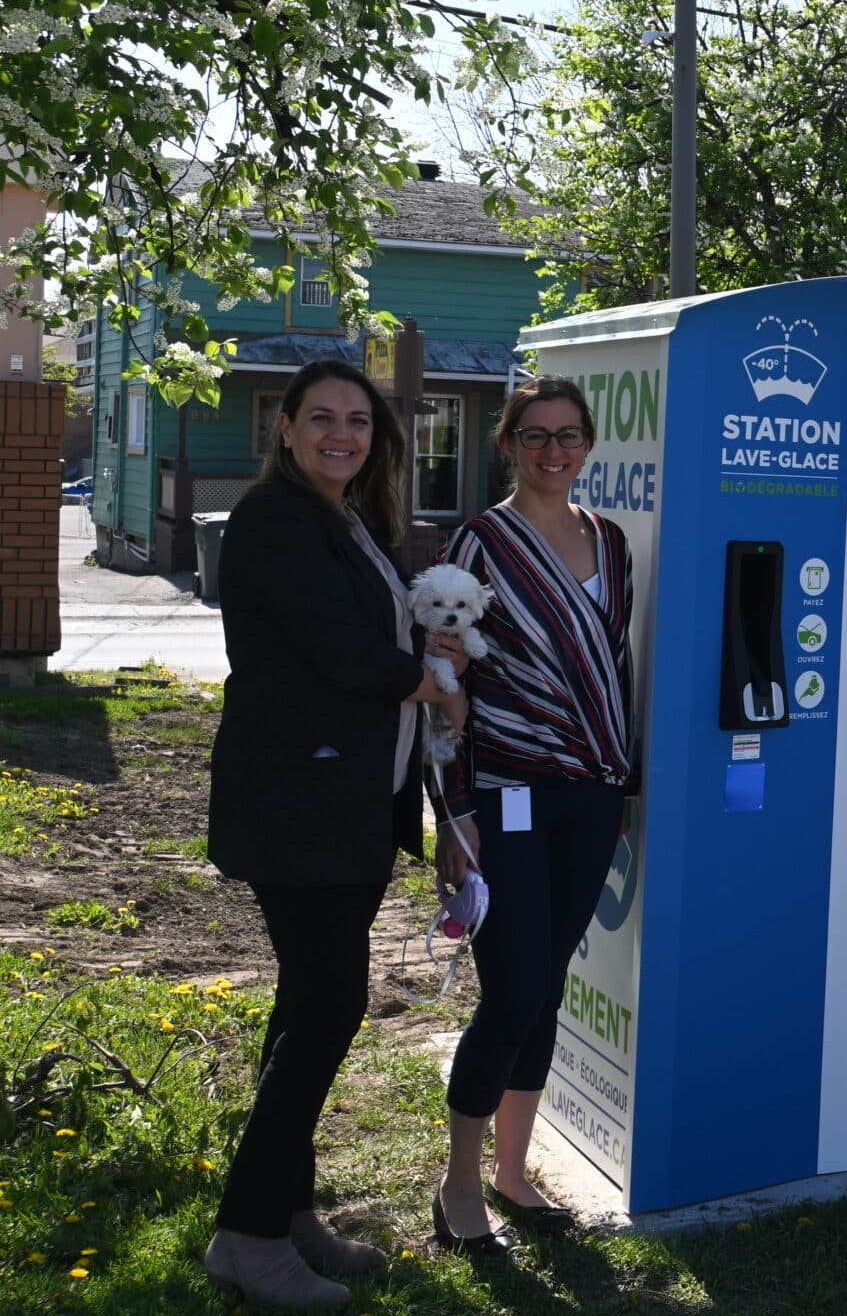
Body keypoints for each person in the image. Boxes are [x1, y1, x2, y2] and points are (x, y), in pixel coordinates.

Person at [203, 360, 472, 1308]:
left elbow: (382, 635)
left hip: (350, 806)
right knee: (326, 1007)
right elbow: (342, 650)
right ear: (284, 428)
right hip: (300, 809)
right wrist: (431, 680)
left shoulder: (352, 518)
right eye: (321, 418)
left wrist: (428, 656)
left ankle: (287, 1213)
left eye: (358, 421)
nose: (341, 435)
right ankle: (246, 1237)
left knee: (306, 1006)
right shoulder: (274, 518)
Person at [429, 377, 636, 1252]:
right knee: (511, 988)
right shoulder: (478, 543)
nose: (555, 451)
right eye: (537, 435)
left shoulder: (612, 542)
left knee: (545, 987)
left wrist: (628, 784)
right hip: (503, 796)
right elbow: (443, 688)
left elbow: (614, 661)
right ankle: (458, 1181)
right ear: (509, 442)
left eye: (570, 436)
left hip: (591, 797)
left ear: (589, 444)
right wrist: (454, 816)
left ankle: (514, 1173)